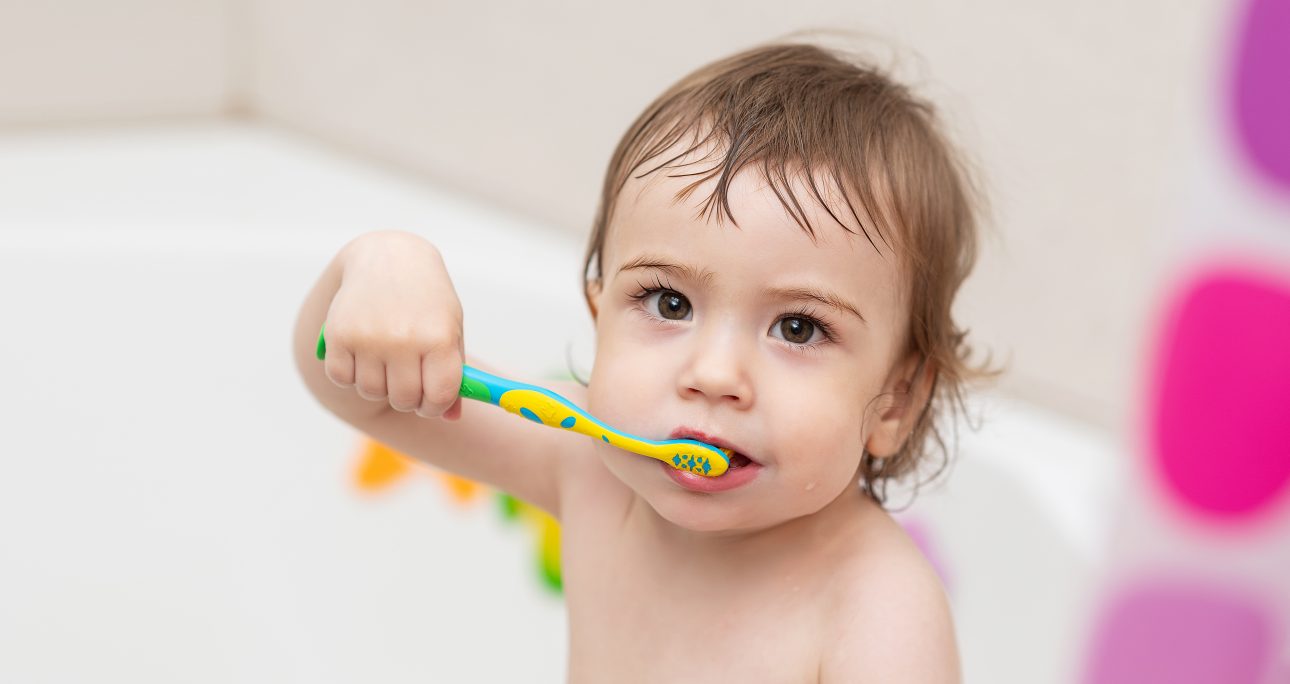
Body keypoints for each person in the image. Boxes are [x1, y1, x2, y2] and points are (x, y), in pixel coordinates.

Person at [293, 41, 990, 682]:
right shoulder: (589, 467)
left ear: (895, 402)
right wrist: (382, 261)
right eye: (670, 304)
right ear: (601, 319)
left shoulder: (876, 611)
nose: (714, 375)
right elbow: (363, 394)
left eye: (799, 327)